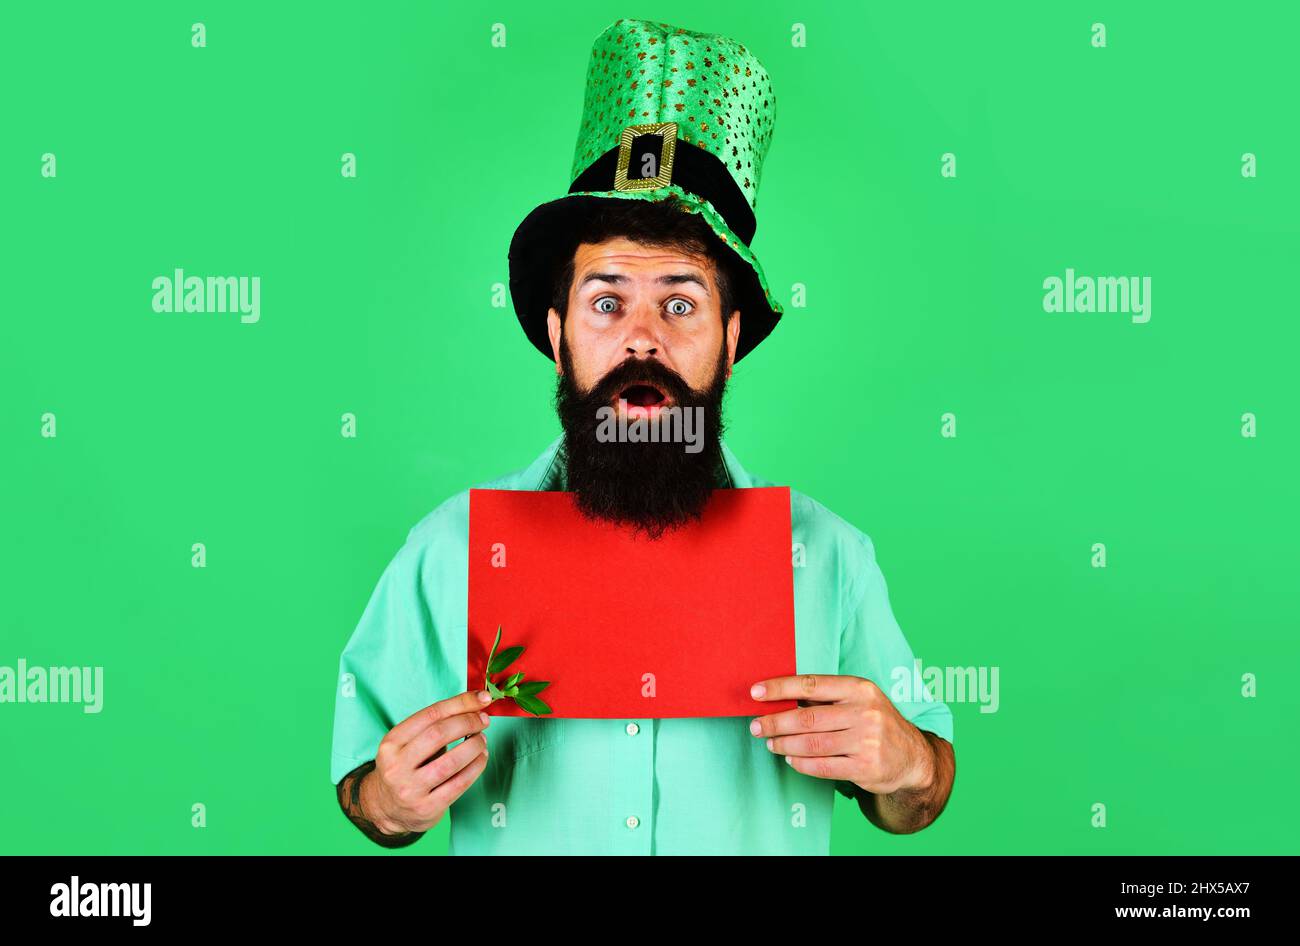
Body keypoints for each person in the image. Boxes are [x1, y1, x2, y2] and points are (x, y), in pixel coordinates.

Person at [330, 17, 954, 855]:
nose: (642, 340)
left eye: (682, 303)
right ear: (557, 335)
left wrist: (909, 766)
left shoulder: (827, 557)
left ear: (731, 342)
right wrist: (387, 801)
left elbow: (917, 797)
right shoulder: (454, 550)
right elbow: (364, 794)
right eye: (606, 300)